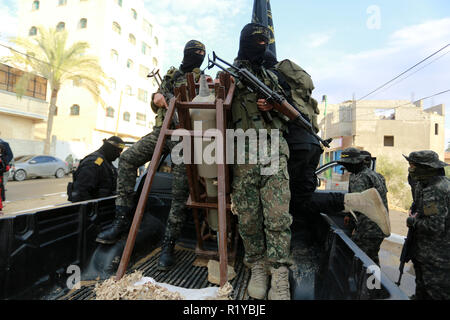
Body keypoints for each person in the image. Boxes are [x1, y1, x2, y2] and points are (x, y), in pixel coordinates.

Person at [95, 40, 208, 274]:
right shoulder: (171, 75)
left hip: (185, 137)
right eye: (194, 52)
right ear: (185, 54)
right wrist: (157, 97)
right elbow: (155, 100)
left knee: (179, 191)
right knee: (127, 159)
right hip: (161, 131)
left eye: (201, 54)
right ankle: (121, 219)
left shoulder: (204, 79)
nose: (198, 56)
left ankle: (169, 244)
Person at [228, 23, 292, 300]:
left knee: (277, 215)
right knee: (249, 217)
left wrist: (273, 106)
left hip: (273, 148)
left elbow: (290, 114)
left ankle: (278, 272)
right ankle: (256, 265)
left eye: (265, 42)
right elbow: (214, 113)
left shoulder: (273, 78)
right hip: (242, 153)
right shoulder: (228, 76)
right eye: (255, 42)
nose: (261, 46)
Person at [403, 150, 449, 300]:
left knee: (435, 294)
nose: (410, 169)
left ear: (425, 168)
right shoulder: (434, 183)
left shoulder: (434, 190)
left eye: (413, 166)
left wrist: (412, 221)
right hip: (428, 253)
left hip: (436, 257)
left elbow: (434, 226)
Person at [338, 148, 389, 266]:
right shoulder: (373, 175)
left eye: (347, 164)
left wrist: (356, 226)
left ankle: (370, 284)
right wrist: (348, 215)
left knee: (364, 261)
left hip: (369, 228)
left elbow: (358, 205)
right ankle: (373, 283)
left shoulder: (361, 178)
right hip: (378, 225)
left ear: (355, 162)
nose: (346, 167)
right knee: (371, 259)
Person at [67, 136, 124, 202]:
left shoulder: (106, 162)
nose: (118, 155)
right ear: (110, 148)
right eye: (118, 151)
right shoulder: (93, 163)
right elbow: (81, 192)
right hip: (95, 209)